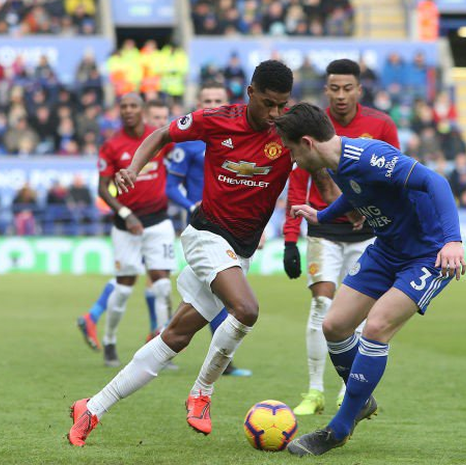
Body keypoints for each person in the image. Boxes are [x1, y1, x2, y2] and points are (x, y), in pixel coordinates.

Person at [68, 60, 309, 446]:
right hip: (206, 236)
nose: (274, 114)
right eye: (268, 104)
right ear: (250, 93)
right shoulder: (217, 120)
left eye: (282, 105)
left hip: (239, 250)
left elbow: (322, 161)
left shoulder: (288, 131)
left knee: (175, 337)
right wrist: (132, 166)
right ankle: (201, 393)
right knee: (246, 310)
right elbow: (162, 134)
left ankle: (91, 408)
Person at [272, 102, 465, 456]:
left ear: (307, 142)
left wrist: (452, 240)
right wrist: (324, 214)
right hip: (387, 249)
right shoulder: (339, 163)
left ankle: (339, 427)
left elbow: (433, 181)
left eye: (291, 149)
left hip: (427, 254)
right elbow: (358, 192)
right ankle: (360, 400)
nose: (292, 159)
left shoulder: (368, 155)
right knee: (334, 325)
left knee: (375, 328)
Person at [283, 58, 400, 415]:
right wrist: (290, 238)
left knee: (359, 315)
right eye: (334, 88)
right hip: (323, 229)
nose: (341, 95)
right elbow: (299, 178)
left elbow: (397, 176)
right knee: (321, 305)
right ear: (326, 90)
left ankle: (349, 391)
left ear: (359, 90)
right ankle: (314, 390)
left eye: (347, 88)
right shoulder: (314, 125)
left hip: (368, 234)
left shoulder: (381, 124)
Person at [76, 93, 175, 368]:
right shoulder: (112, 145)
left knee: (163, 285)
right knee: (123, 289)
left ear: (142, 110)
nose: (128, 110)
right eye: (124, 107)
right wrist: (125, 213)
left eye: (133, 106)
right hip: (125, 227)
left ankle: (161, 348)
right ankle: (109, 340)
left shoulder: (158, 138)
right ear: (119, 111)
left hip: (159, 221)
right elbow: (101, 189)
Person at [166, 80, 252, 377]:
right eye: (207, 99)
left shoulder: (239, 137)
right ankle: (220, 364)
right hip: (201, 226)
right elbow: (170, 186)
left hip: (231, 225)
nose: (212, 104)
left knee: (204, 296)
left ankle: (162, 344)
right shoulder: (188, 143)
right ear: (198, 102)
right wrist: (191, 205)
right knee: (218, 295)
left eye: (218, 98)